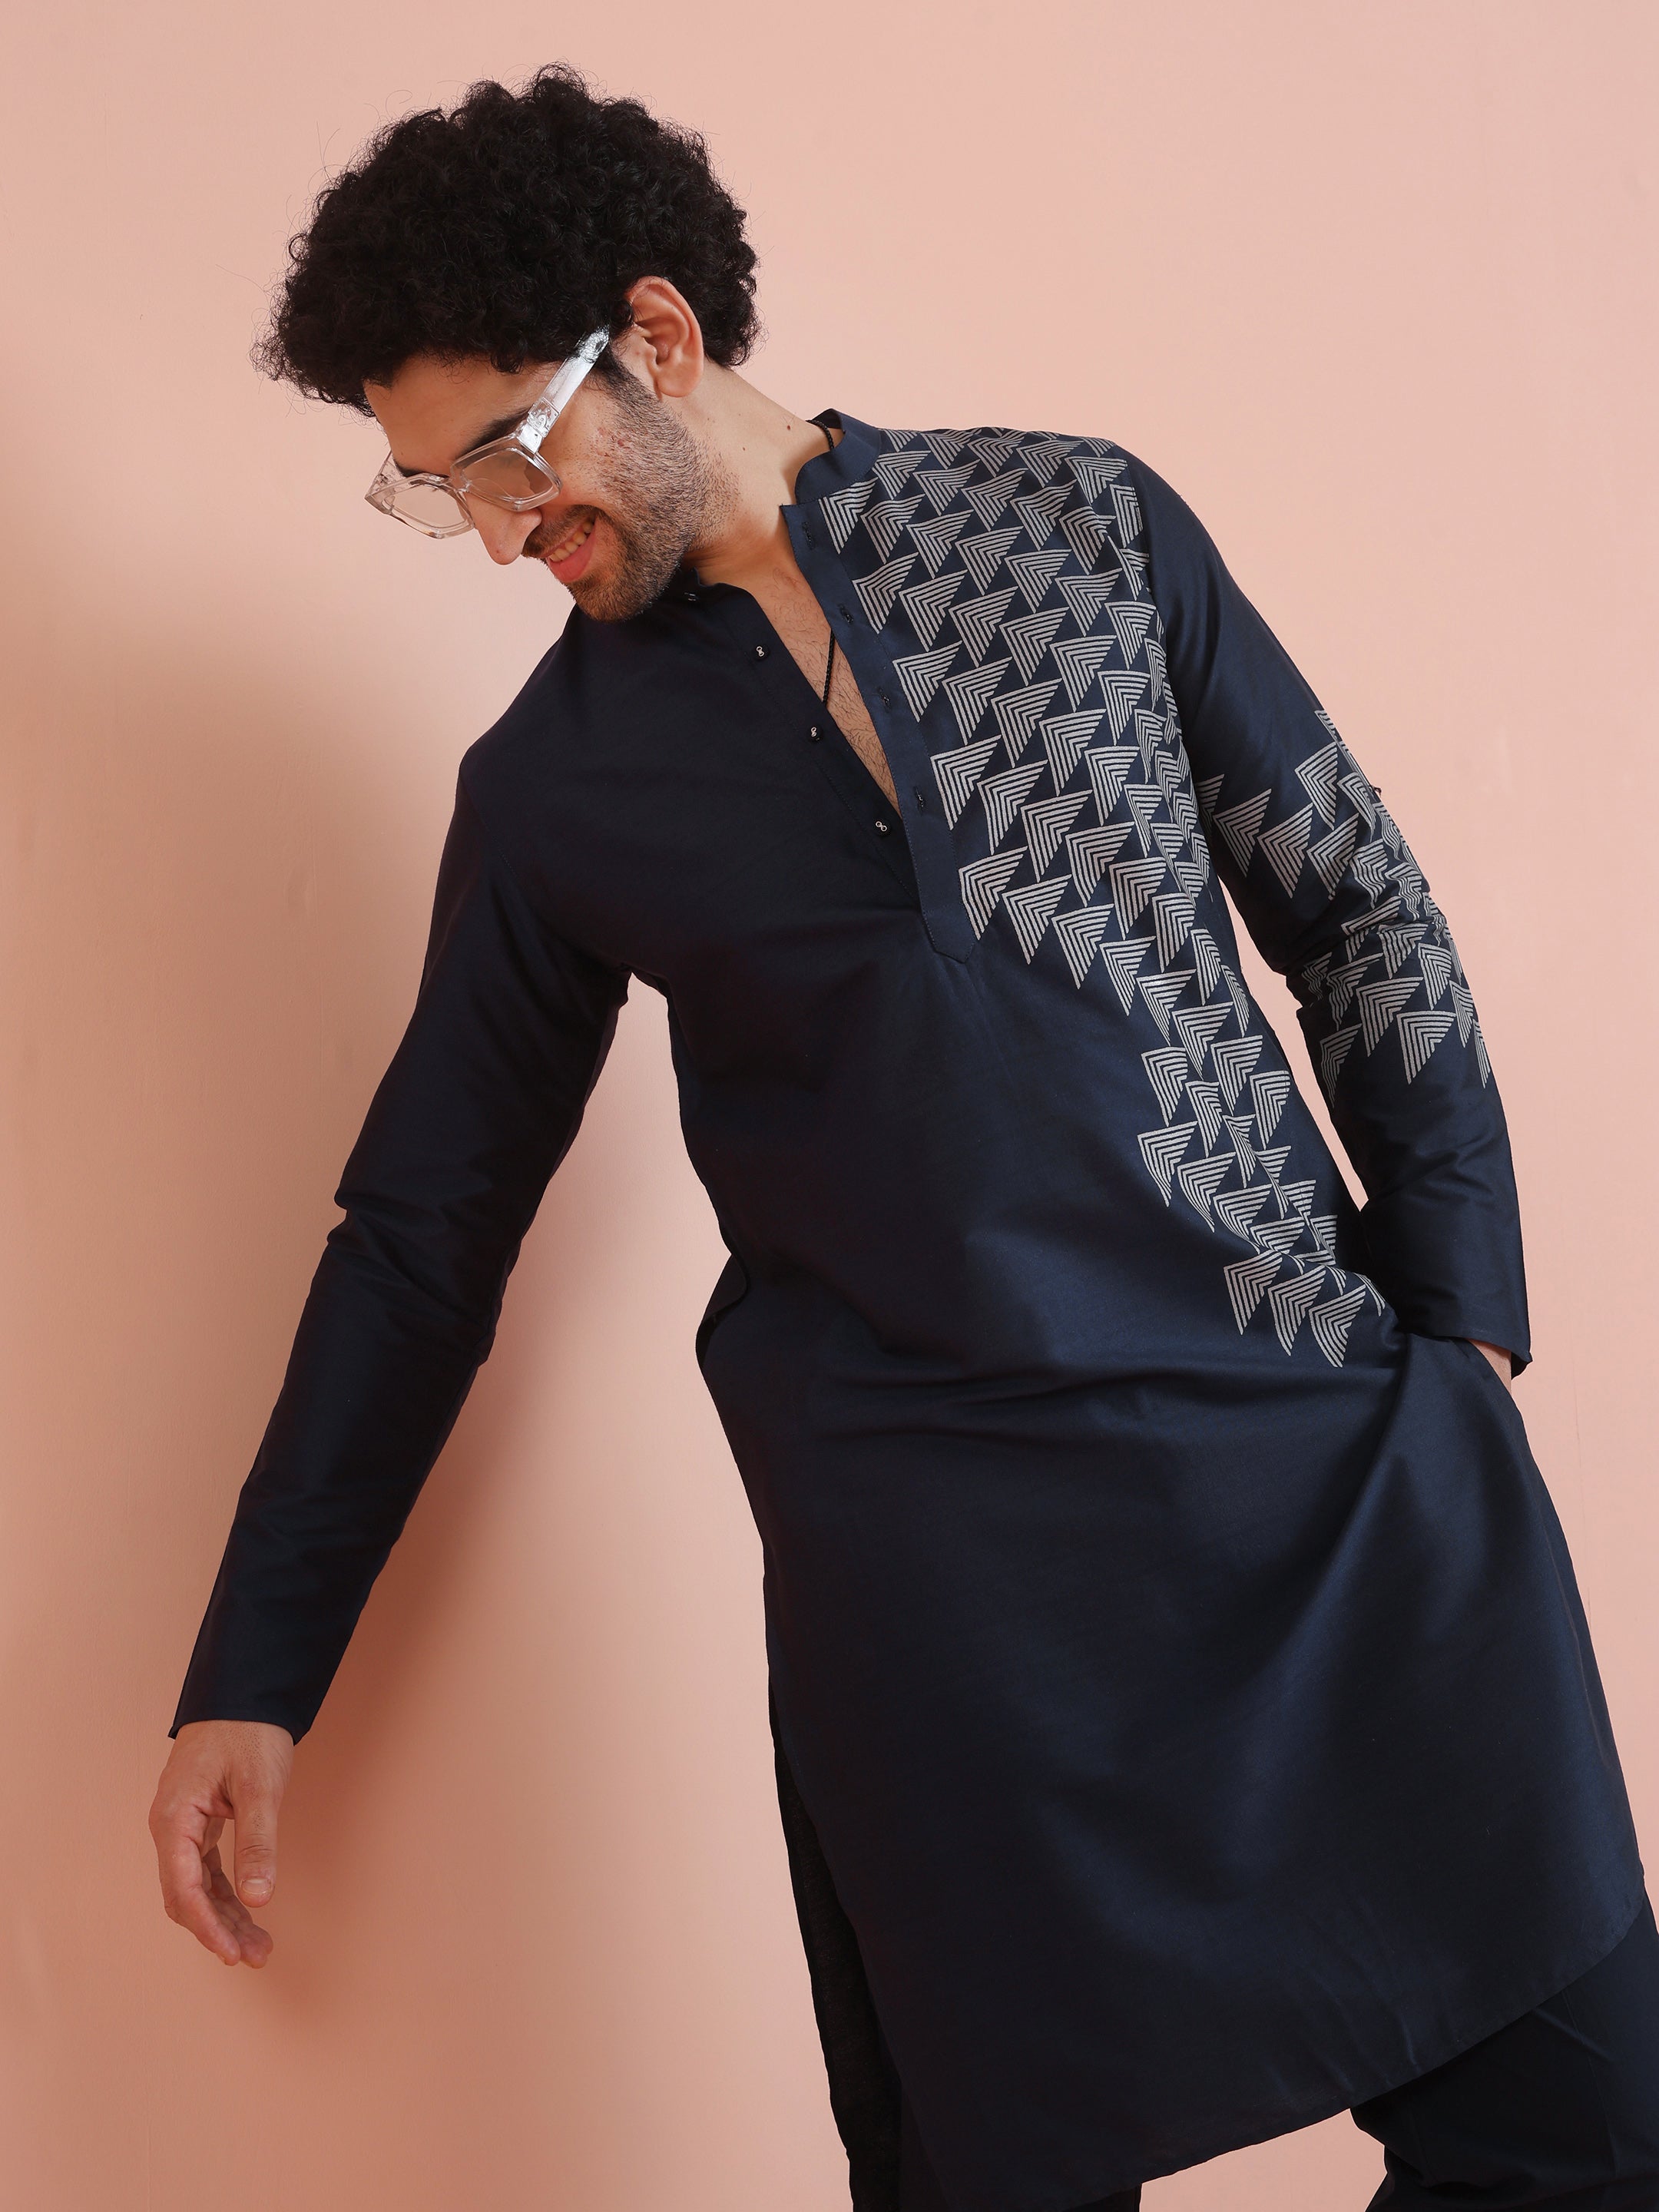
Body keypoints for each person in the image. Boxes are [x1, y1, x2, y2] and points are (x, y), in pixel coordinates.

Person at [147, 65, 1659, 2212]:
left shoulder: (1083, 524)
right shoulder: (555, 789)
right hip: (959, 1624)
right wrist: (254, 1675)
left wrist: (1462, 1337)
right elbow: (421, 1236)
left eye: (504, 455)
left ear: (656, 336)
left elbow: (1354, 911)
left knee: (1594, 2139)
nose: (493, 531)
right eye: (433, 492)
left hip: (1331, 1492)